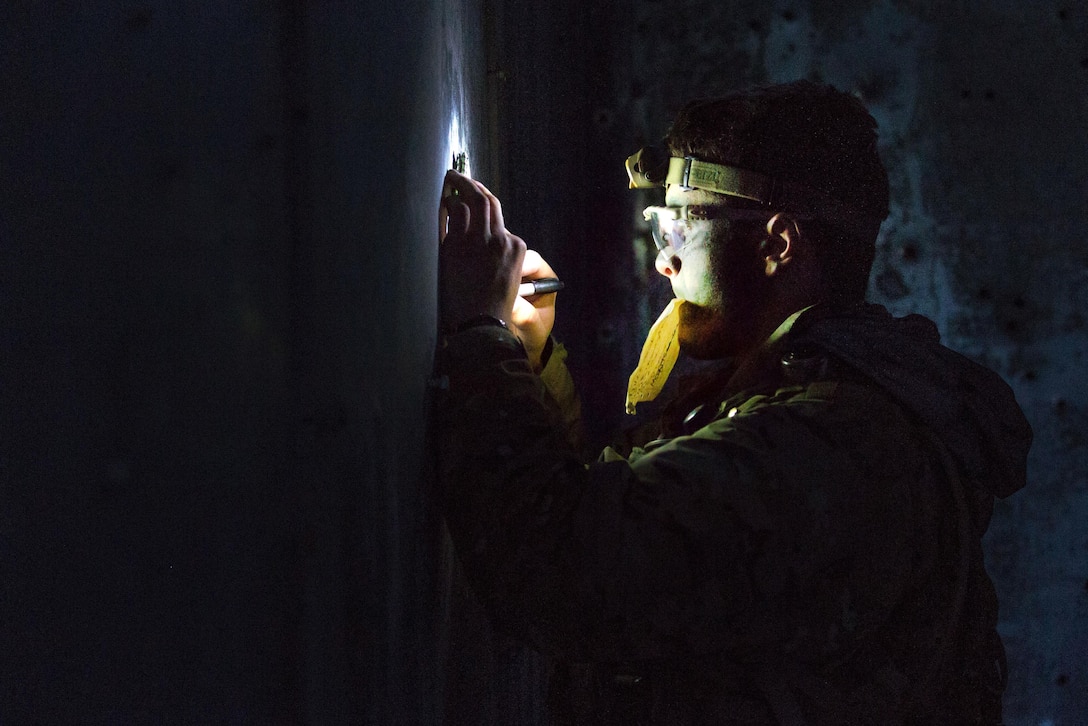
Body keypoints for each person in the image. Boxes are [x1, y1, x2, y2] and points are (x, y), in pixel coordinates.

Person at [432, 81, 1031, 725]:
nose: (664, 261)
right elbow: (603, 502)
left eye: (680, 226)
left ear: (776, 243)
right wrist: (529, 353)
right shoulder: (803, 405)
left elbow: (560, 566)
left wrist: (480, 337)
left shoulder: (833, 445)